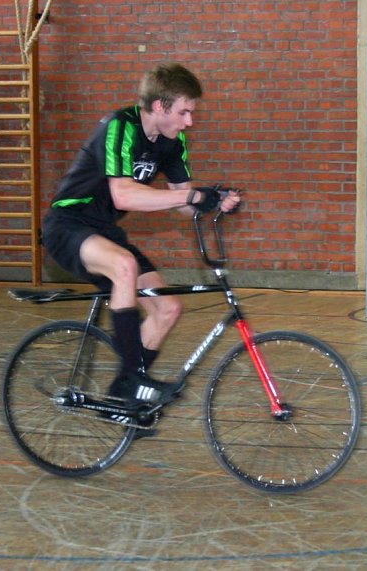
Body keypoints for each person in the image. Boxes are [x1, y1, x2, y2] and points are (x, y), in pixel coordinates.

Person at [43, 63, 241, 409]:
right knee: (123, 265)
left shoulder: (172, 141)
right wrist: (190, 196)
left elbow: (183, 203)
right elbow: (123, 195)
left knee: (167, 308)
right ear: (160, 107)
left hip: (104, 231)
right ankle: (134, 377)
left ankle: (122, 396)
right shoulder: (121, 126)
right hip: (67, 224)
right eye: (184, 111)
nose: (189, 121)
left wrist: (215, 201)